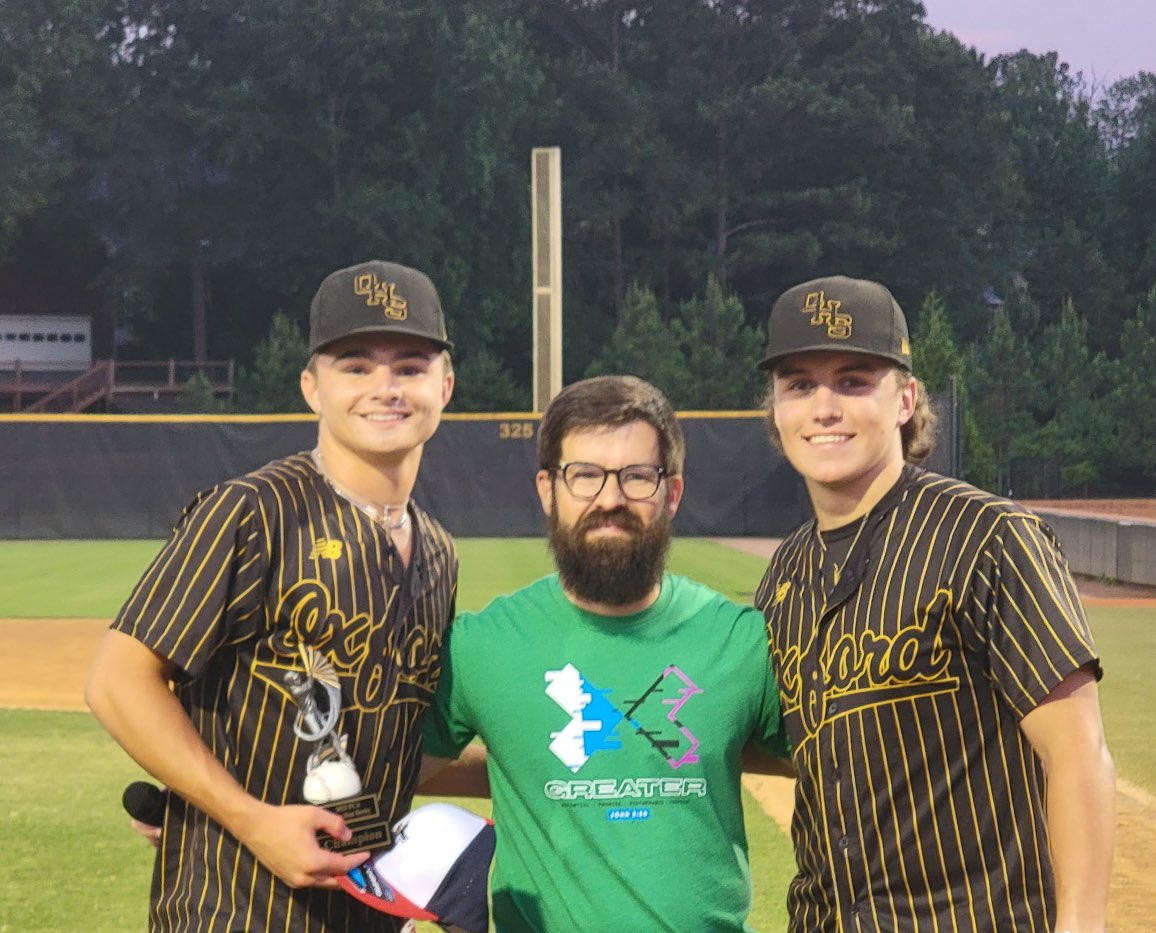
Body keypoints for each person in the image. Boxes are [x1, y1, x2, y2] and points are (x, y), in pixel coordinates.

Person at [85, 260, 459, 932]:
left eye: (410, 366)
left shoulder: (438, 552)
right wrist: (248, 817)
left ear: (446, 384)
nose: (386, 387)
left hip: (368, 913)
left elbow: (395, 739)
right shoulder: (252, 511)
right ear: (312, 386)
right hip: (232, 909)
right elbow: (118, 681)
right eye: (355, 366)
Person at [754, 275, 1115, 932]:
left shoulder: (987, 538)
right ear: (776, 408)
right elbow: (803, 750)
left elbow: (1077, 750)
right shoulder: (785, 574)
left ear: (906, 399)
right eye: (799, 384)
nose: (823, 406)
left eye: (854, 380)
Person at [420, 374, 791, 932]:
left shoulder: (740, 640)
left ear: (672, 493)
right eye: (585, 476)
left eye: (637, 476)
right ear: (548, 489)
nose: (610, 498)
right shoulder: (483, 645)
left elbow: (845, 771)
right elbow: (382, 776)